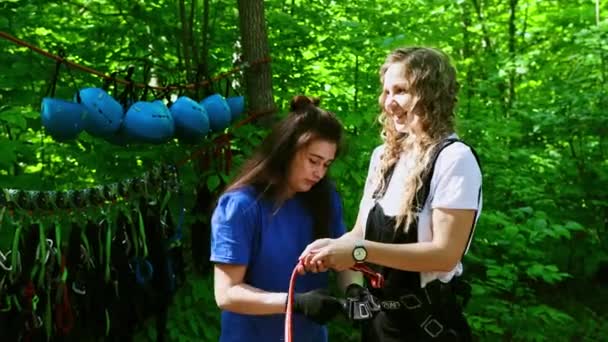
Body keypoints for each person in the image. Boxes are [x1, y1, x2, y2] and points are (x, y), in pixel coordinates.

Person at [299, 46, 483, 341]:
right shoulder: (384, 157)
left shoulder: (454, 159)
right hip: (378, 324)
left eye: (401, 91)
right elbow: (360, 232)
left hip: (427, 327)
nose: (389, 103)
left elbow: (445, 255)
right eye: (386, 92)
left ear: (431, 93)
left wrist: (358, 253)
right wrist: (331, 247)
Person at [210, 95, 354, 342]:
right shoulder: (240, 206)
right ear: (287, 150)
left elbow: (345, 257)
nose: (319, 172)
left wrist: (354, 290)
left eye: (326, 164)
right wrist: (294, 303)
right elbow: (226, 294)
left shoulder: (325, 199)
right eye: (313, 161)